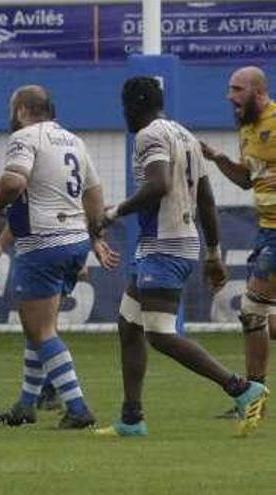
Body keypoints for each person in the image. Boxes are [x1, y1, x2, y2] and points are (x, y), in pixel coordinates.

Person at [94, 76, 269, 437]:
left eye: (124, 108)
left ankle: (241, 388)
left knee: (158, 334)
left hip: (165, 245)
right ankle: (131, 418)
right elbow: (206, 198)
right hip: (167, 243)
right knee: (129, 326)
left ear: (132, 106)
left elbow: (159, 184)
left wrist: (114, 212)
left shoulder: (148, 136)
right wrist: (213, 252)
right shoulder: (184, 135)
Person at [0, 86, 119, 429]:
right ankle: (26, 405)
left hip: (42, 242)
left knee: (41, 329)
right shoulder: (74, 140)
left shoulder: (24, 137)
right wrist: (95, 237)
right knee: (39, 326)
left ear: (21, 110)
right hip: (74, 242)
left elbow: (14, 181)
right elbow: (94, 193)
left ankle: (77, 408)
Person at [200, 66, 276, 419]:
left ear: (259, 92)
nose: (230, 96)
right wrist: (218, 159)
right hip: (266, 230)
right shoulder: (246, 129)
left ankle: (253, 397)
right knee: (261, 319)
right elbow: (247, 180)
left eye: (237, 89)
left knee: (252, 311)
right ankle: (255, 395)